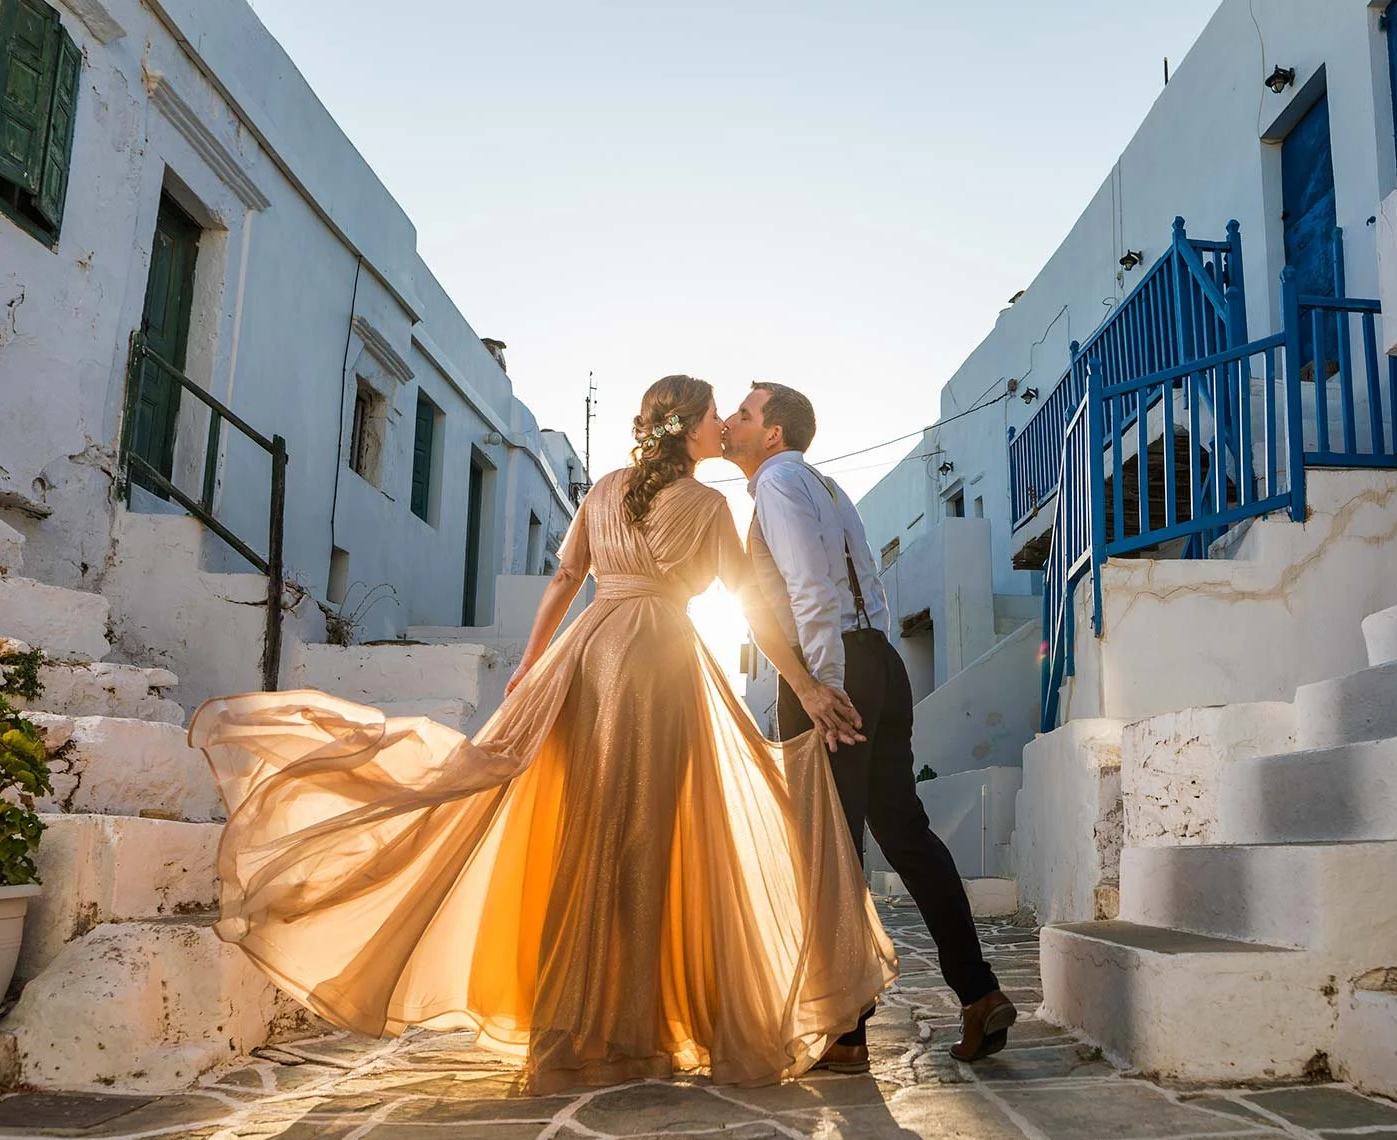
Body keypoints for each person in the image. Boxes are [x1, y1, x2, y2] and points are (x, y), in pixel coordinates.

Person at [188, 375, 897, 1092]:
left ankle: (578, 1021)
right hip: (660, 667)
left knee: (586, 829)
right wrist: (807, 685)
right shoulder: (712, 507)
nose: (723, 425)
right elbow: (755, 608)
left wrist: (531, 666)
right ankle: (633, 1025)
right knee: (649, 837)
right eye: (715, 415)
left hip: (589, 656)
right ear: (687, 429)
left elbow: (564, 581)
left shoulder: (605, 490)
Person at [722, 381, 1015, 1073]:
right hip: (877, 660)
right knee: (905, 831)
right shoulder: (826, 487)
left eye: (744, 412)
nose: (731, 420)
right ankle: (979, 993)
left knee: (831, 846)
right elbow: (870, 589)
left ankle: (846, 1031)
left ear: (772, 433)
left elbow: (808, 590)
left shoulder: (778, 484)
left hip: (833, 669)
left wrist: (822, 684)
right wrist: (867, 662)